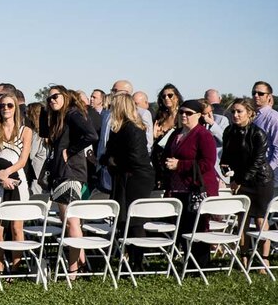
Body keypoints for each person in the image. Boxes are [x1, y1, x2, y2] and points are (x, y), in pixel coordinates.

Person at [39, 85, 98, 276]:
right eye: (48, 99)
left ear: (65, 96)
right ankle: (80, 262)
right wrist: (43, 111)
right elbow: (43, 134)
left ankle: (73, 269)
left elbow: (91, 135)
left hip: (71, 173)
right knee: (68, 220)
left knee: (71, 221)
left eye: (55, 97)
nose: (52, 100)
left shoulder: (73, 114)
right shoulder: (59, 118)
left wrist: (70, 150)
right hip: (61, 173)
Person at [101, 93, 154, 266]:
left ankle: (137, 262)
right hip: (125, 176)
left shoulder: (132, 128)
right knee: (126, 220)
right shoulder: (121, 127)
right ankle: (130, 259)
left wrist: (114, 162)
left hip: (135, 178)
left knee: (135, 220)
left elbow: (136, 158)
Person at [164, 99, 219, 267]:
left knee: (198, 227)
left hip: (197, 188)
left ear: (199, 115)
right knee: (183, 227)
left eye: (188, 113)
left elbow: (207, 163)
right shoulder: (176, 133)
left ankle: (200, 265)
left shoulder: (203, 135)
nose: (184, 116)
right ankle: (187, 261)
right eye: (181, 112)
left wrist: (180, 165)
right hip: (178, 188)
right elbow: (166, 154)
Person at [221, 98, 275, 267]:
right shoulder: (229, 131)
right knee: (241, 218)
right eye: (233, 112)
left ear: (250, 113)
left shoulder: (258, 133)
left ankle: (263, 259)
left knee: (260, 218)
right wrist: (224, 168)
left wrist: (239, 181)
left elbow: (257, 161)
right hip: (238, 179)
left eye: (239, 112)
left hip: (260, 180)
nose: (235, 115)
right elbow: (226, 156)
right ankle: (243, 257)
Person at [0, 93, 33, 275]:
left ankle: (15, 268)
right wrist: (2, 177)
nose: (5, 108)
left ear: (16, 108)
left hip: (17, 181)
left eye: (10, 105)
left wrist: (8, 175)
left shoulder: (26, 131)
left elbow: (23, 160)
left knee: (16, 228)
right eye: (2, 105)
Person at [251, 81, 278, 173]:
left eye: (261, 93)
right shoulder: (252, 116)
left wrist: (269, 169)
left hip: (270, 171)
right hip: (254, 170)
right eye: (254, 93)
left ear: (269, 97)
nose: (256, 95)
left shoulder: (273, 118)